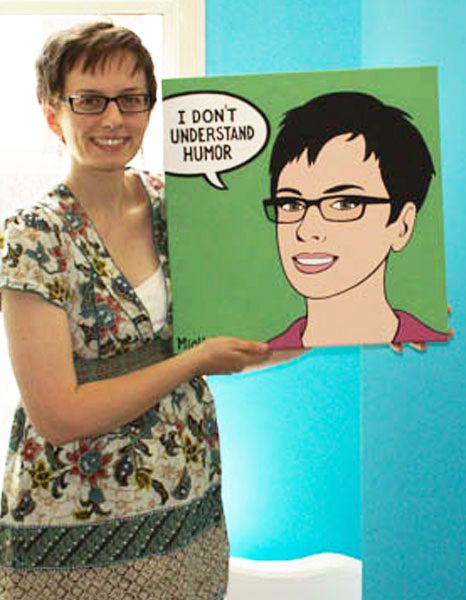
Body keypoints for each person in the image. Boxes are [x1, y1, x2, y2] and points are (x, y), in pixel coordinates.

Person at [0, 22, 269, 600]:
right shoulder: (33, 236)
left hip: (184, 506)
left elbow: (236, 343)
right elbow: (58, 414)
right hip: (76, 527)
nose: (113, 118)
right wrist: (190, 362)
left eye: (131, 99)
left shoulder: (181, 205)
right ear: (53, 114)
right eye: (89, 101)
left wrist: (367, 318)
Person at [263, 91, 449, 349]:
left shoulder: (440, 348)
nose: (306, 229)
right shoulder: (255, 358)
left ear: (402, 226)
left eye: (344, 204)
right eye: (291, 204)